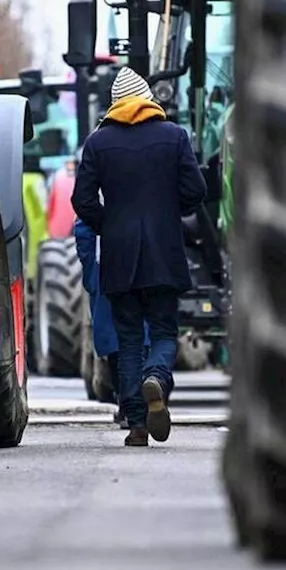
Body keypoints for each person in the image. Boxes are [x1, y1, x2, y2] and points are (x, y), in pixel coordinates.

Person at [71, 67, 207, 447]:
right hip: (164, 252)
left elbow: (81, 200)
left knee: (129, 337)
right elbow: (196, 189)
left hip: (119, 255)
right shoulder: (174, 136)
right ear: (149, 100)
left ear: (115, 105)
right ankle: (157, 378)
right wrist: (168, 210)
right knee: (163, 330)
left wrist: (108, 225)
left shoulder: (98, 143)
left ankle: (136, 424)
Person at [72, 215, 150, 429]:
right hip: (143, 263)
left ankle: (129, 404)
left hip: (107, 265)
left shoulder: (101, 187)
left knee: (117, 340)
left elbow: (84, 223)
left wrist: (91, 275)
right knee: (141, 336)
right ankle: (139, 399)